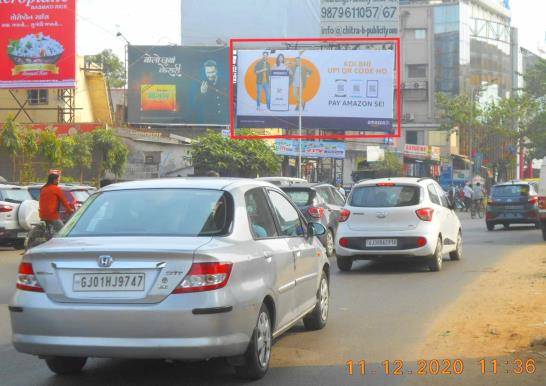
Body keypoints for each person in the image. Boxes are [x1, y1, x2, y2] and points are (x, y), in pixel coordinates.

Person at [196, 59, 227, 124]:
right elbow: (197, 104)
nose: (210, 75)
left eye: (212, 72)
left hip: (224, 120)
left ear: (216, 71)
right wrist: (202, 93)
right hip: (209, 121)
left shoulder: (225, 82)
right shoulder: (201, 84)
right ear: (205, 72)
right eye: (208, 73)